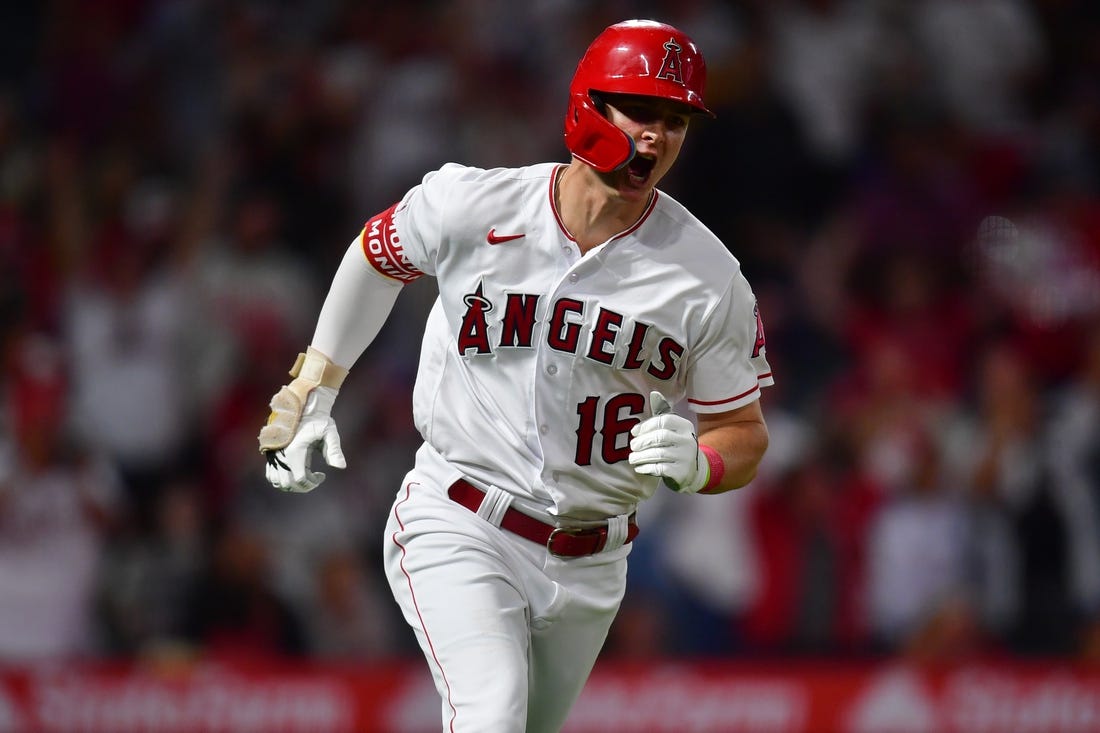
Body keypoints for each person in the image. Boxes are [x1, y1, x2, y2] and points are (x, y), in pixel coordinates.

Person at [258, 19, 773, 732]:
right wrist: (310, 390)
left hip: (594, 561)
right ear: (588, 104)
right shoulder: (476, 204)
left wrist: (704, 461)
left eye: (675, 120)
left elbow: (742, 431)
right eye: (641, 111)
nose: (657, 136)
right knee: (490, 714)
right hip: (462, 516)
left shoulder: (707, 276)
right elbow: (376, 256)